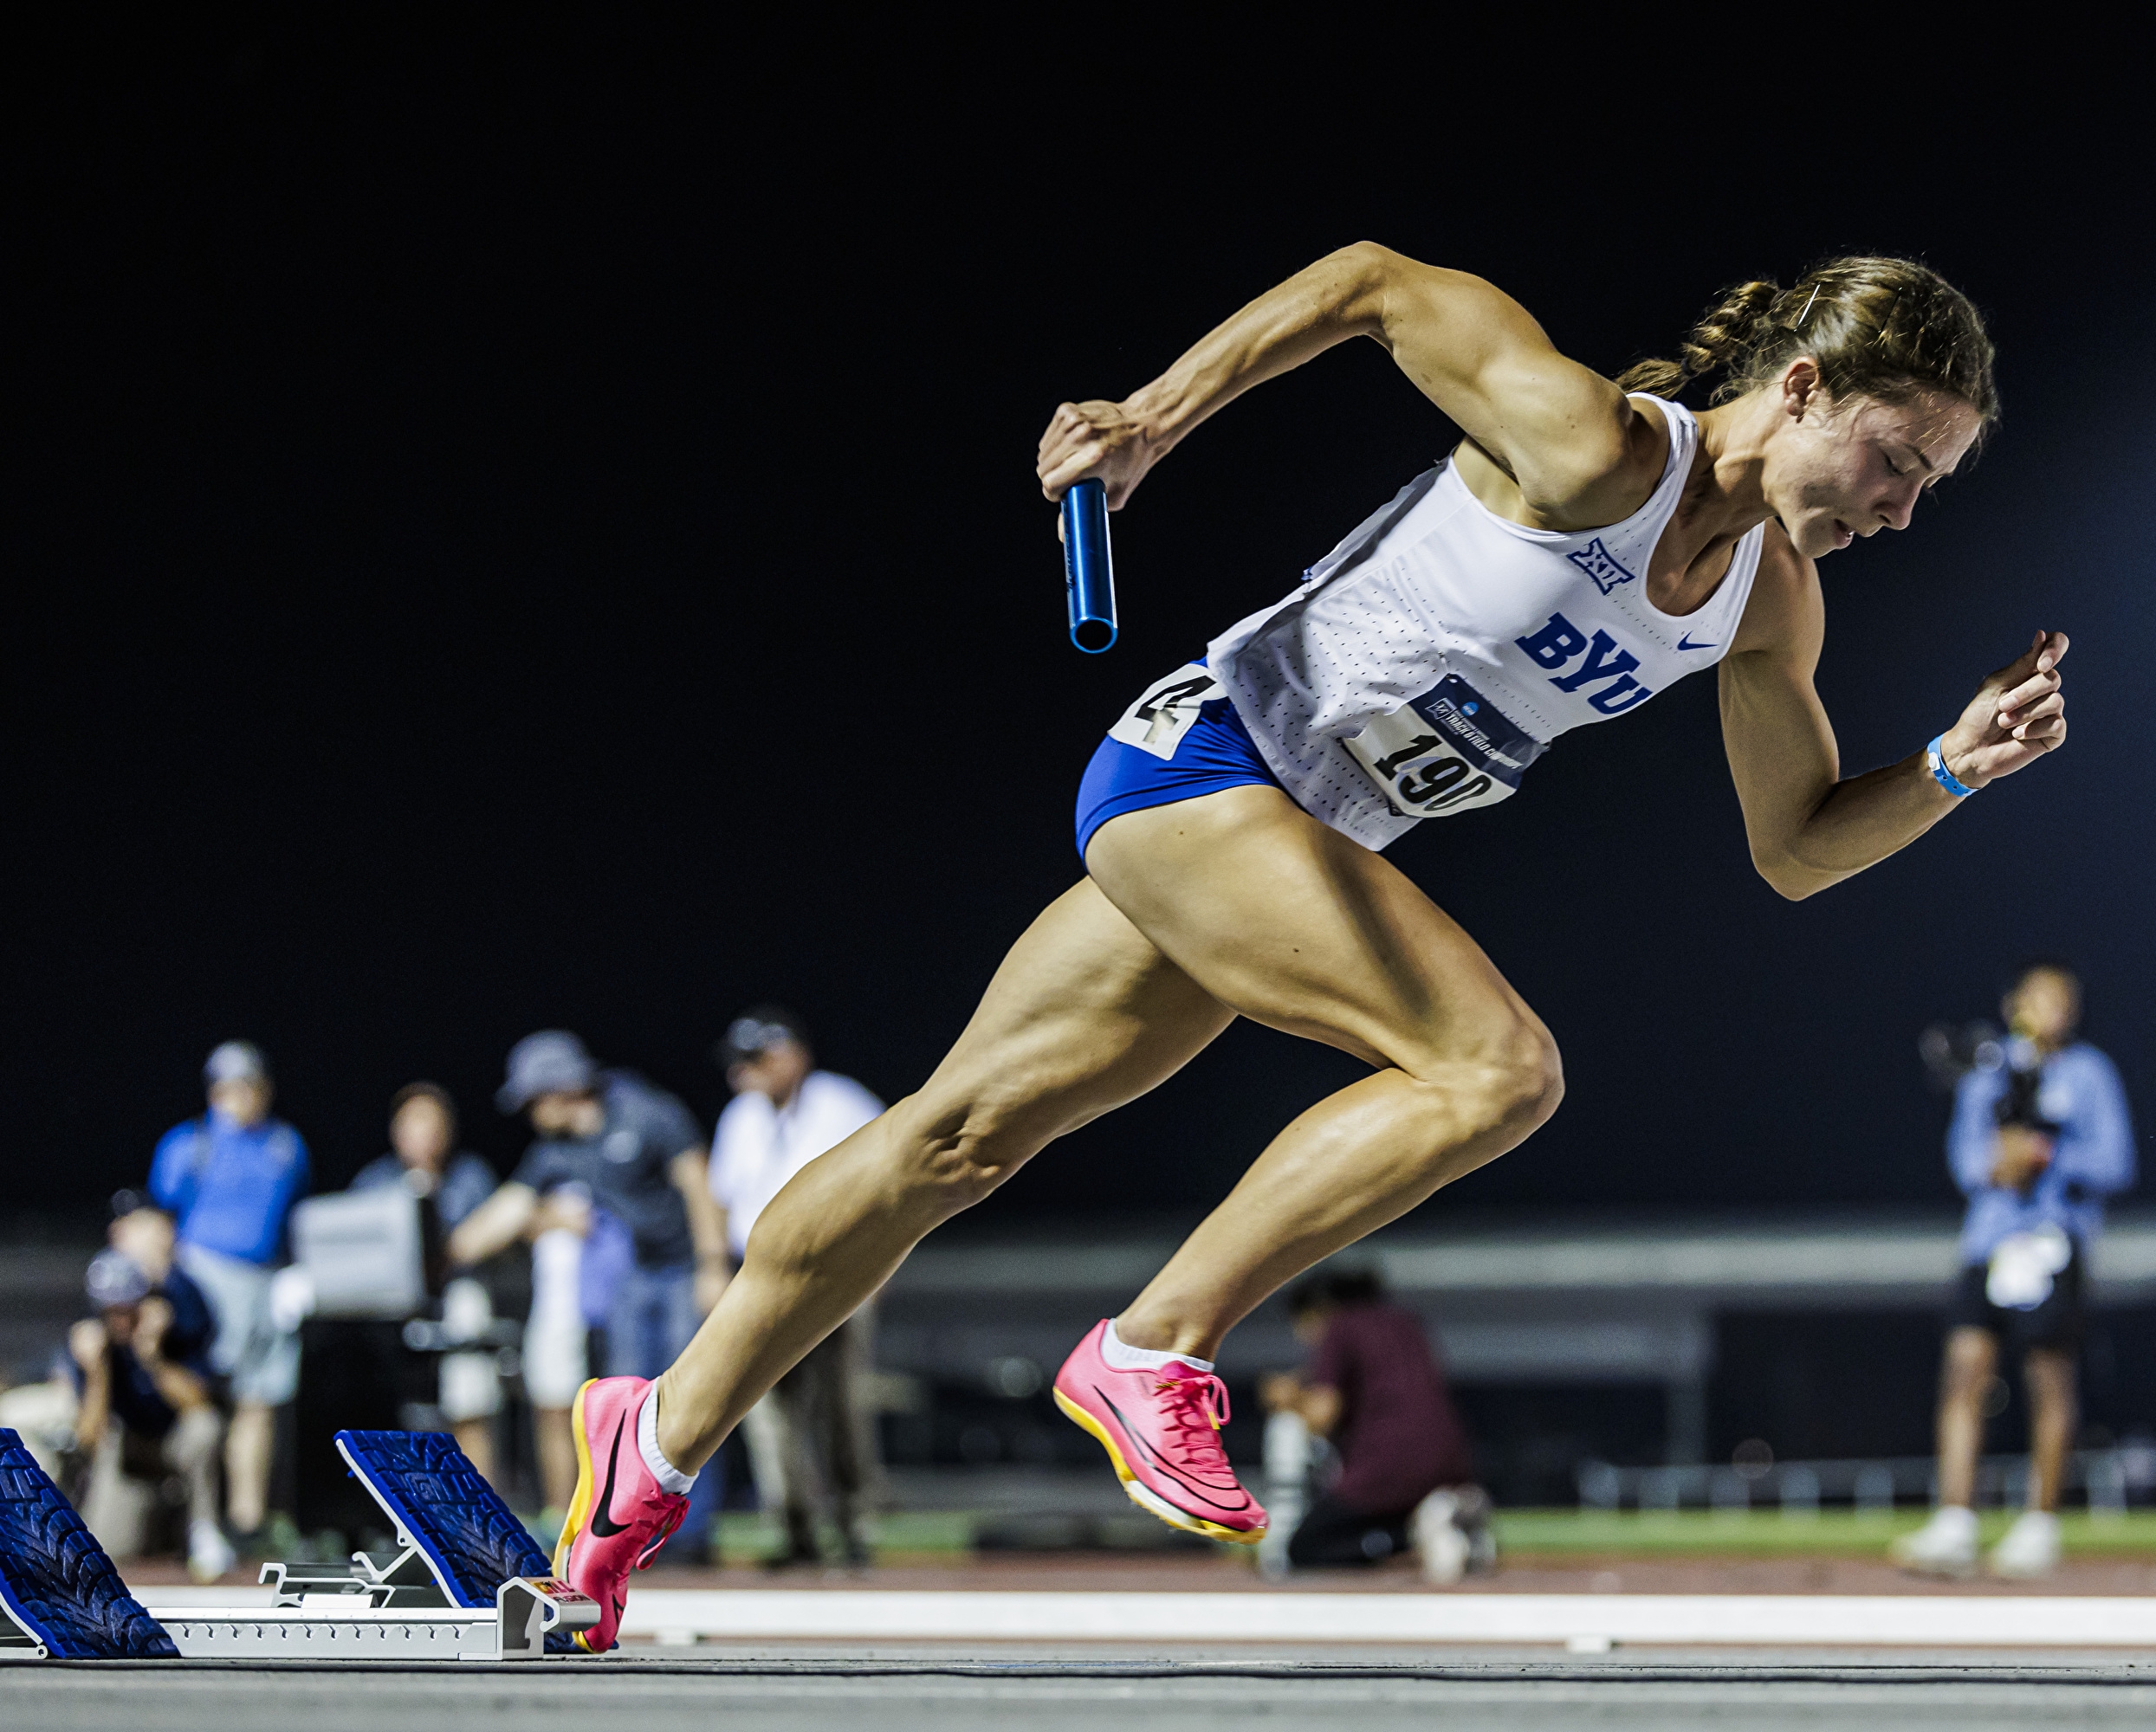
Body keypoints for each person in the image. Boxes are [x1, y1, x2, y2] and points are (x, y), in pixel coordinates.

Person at [556, 244, 2071, 1650]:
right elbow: (1371, 282)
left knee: (953, 1139)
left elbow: (1797, 844)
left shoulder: (1770, 603)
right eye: (1896, 460)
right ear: (1802, 389)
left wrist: (1950, 766)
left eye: (1930, 485)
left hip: (1283, 843)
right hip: (1209, 767)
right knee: (1497, 1070)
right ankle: (1152, 1348)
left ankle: (653, 1439)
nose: (1901, 511)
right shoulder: (1595, 445)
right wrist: (1153, 417)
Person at [1892, 961, 2134, 1580]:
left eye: (2063, 999)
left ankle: (2039, 1525)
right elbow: (1964, 1159)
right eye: (2041, 998)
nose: (2054, 1010)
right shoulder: (1990, 1070)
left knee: (2048, 1379)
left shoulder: (2088, 1073)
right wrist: (1995, 1164)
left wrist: (2048, 1155)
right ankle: (1955, 1520)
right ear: (2014, 1006)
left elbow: (2116, 1162)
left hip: (2052, 1243)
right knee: (1964, 1371)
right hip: (1989, 1243)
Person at [450, 1031, 723, 1549]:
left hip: (681, 1270)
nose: (530, 1113)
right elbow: (511, 1206)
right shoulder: (557, 1151)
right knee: (632, 1409)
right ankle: (642, 1530)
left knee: (694, 1399)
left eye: (533, 1100)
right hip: (631, 1281)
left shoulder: (646, 1112)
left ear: (562, 1088)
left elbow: (697, 1181)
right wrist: (451, 1249)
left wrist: (713, 1266)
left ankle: (694, 1532)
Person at [705, 1007, 885, 1566]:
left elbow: (890, 1189)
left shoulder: (843, 1103)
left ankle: (853, 1526)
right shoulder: (740, 1116)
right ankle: (794, 1528)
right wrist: (715, 1268)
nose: (742, 1073)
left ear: (792, 1055)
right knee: (765, 1407)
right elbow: (722, 1197)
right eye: (739, 1063)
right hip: (760, 1275)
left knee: (839, 1403)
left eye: (755, 1060)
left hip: (836, 1269)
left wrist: (878, 1266)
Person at [146, 1039, 308, 1540]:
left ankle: (246, 1519)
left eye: (249, 1086)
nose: (239, 1096)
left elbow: (295, 1217)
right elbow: (159, 1218)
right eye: (229, 1087)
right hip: (205, 1279)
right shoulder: (188, 1144)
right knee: (207, 1395)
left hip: (266, 1281)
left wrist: (296, 1273)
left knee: (260, 1399)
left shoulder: (285, 1145)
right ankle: (199, 1518)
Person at [1260, 1268, 1490, 1582]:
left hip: (1389, 1464)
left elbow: (1322, 1414)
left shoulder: (1339, 1326)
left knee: (1305, 1548)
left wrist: (1288, 1399)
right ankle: (1450, 1527)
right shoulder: (1402, 1321)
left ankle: (1411, 1540)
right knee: (1374, 1518)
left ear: (1316, 1311)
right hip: (1449, 1459)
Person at [64, 1205, 230, 1580]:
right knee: (109, 1551)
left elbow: (200, 1402)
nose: (121, 1319)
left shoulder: (172, 1328)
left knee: (206, 1427)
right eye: (112, 1310)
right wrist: (97, 1372)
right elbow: (88, 1436)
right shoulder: (93, 1343)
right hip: (130, 1450)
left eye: (128, 1308)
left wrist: (153, 1359)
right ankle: (161, 1528)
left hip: (176, 1441)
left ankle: (204, 1530)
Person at [351, 1082, 505, 1480]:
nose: (424, 1133)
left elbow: (491, 1243)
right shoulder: (375, 1181)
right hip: (392, 1313)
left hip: (457, 1299)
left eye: (432, 1123)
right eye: (413, 1123)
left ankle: (478, 1508)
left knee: (470, 1402)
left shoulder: (471, 1178)